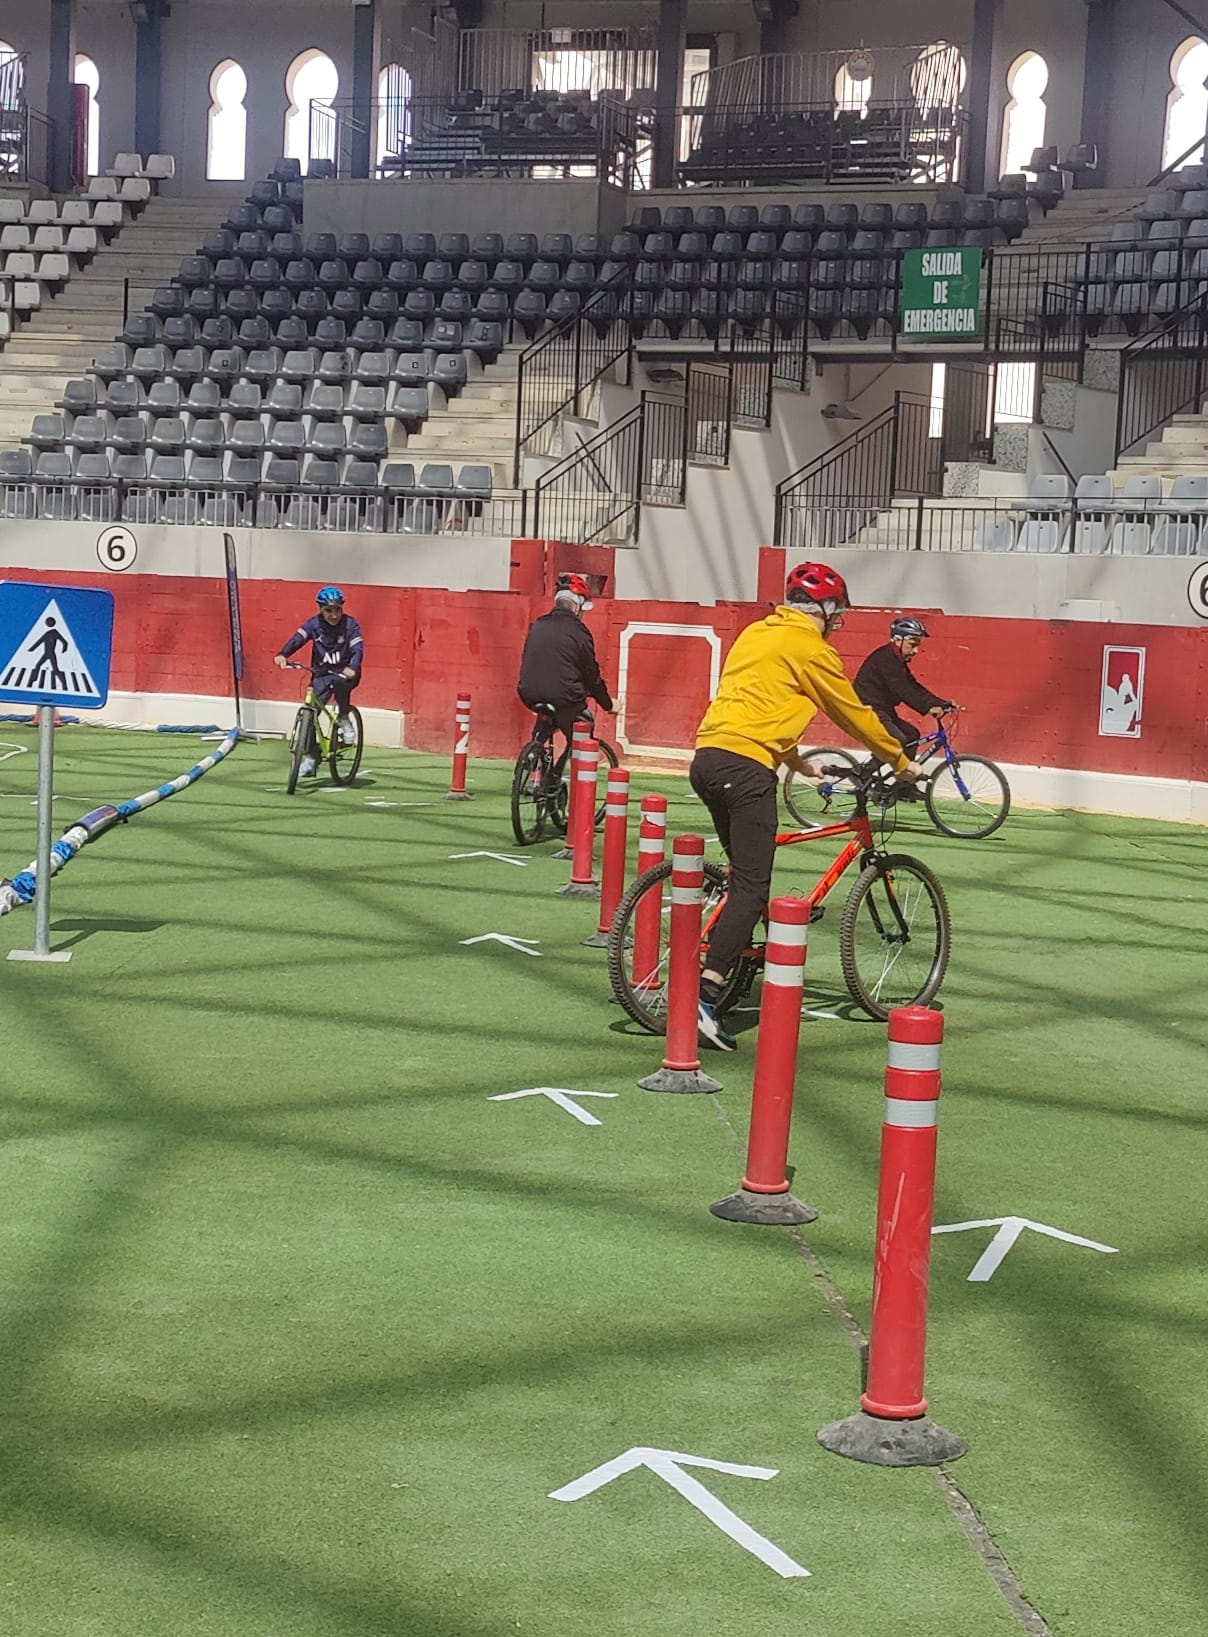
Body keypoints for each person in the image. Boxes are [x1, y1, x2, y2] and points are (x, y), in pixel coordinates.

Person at [689, 562, 923, 1052]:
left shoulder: (757, 633)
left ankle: (733, 963)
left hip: (709, 757)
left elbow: (755, 700)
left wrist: (797, 760)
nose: (837, 620)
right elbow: (852, 711)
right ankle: (704, 993)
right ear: (824, 608)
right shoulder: (810, 647)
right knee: (753, 888)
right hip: (747, 771)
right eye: (837, 611)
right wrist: (900, 760)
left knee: (740, 874)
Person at [516, 573, 614, 761]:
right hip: (564, 696)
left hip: (528, 692)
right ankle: (555, 774)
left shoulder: (537, 625)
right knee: (583, 725)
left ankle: (534, 754)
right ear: (577, 606)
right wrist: (606, 703)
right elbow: (591, 674)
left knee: (548, 712)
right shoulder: (579, 632)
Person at [274, 586, 363, 777]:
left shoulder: (350, 625)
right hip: (321, 673)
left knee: (340, 687)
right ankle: (310, 757)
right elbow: (299, 638)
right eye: (328, 610)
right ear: (320, 609)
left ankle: (345, 718)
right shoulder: (313, 625)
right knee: (311, 712)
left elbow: (358, 649)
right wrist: (283, 653)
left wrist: (353, 667)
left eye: (337, 610)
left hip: (344, 673)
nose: (333, 615)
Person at [853, 617, 959, 764]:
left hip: (882, 709)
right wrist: (929, 707)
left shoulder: (896, 660)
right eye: (912, 645)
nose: (916, 651)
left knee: (911, 735)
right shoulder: (886, 659)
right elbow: (903, 690)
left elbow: (912, 686)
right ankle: (863, 773)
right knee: (898, 740)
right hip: (867, 708)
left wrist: (940, 703)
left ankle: (903, 785)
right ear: (898, 640)